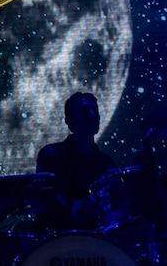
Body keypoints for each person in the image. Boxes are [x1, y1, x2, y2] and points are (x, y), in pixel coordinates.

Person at [35, 92, 117, 233]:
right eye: (85, 111)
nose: (92, 115)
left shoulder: (106, 164)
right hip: (59, 242)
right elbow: (44, 200)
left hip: (99, 242)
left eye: (95, 111)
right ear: (70, 121)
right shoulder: (51, 156)